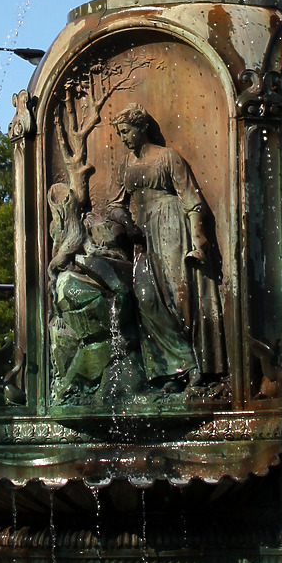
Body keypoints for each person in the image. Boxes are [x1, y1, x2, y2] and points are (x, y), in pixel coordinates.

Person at [111, 104, 226, 383]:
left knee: (178, 294)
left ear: (141, 128)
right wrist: (127, 225)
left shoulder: (167, 158)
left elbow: (192, 200)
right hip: (143, 231)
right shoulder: (126, 164)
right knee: (145, 296)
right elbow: (116, 204)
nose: (124, 139)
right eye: (120, 134)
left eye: (126, 132)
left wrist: (199, 239)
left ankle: (195, 370)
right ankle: (170, 368)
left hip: (171, 224)